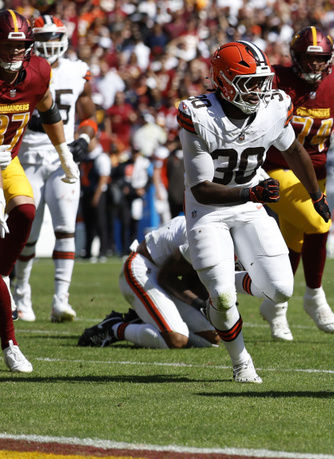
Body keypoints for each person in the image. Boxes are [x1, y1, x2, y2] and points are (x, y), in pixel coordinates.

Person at [178, 40, 329, 382]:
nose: (258, 91)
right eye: (249, 83)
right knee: (223, 297)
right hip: (209, 208)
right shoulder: (199, 115)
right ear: (225, 81)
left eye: (262, 82)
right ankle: (241, 361)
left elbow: (293, 150)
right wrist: (252, 192)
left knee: (280, 290)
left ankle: (213, 279)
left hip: (250, 200)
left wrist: (316, 195)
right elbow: (201, 188)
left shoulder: (273, 108)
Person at [261, 26, 334, 340]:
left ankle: (275, 308)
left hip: (315, 174)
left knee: (296, 243)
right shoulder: (277, 80)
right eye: (310, 58)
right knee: (320, 224)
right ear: (296, 58)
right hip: (277, 170)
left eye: (321, 59)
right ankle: (314, 298)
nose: (316, 65)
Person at [0, 10, 80, 372]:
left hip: (8, 161)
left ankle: (3, 272)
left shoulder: (38, 73)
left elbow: (48, 110)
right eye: (7, 45)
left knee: (27, 214)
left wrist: (65, 153)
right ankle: (11, 343)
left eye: (21, 46)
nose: (15, 53)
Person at [12, 15, 97, 322]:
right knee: (26, 233)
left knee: (66, 229)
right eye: (42, 38)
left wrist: (85, 138)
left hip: (62, 157)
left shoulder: (77, 71)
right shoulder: (25, 68)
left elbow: (89, 113)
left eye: (53, 38)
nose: (48, 45)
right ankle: (22, 293)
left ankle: (61, 299)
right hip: (29, 157)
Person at [78, 215, 220, 349]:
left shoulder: (215, 232)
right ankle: (115, 328)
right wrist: (201, 304)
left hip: (163, 276)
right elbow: (166, 278)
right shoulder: (201, 237)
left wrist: (212, 303)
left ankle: (140, 320)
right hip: (142, 269)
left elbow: (192, 279)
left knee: (211, 338)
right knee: (177, 338)